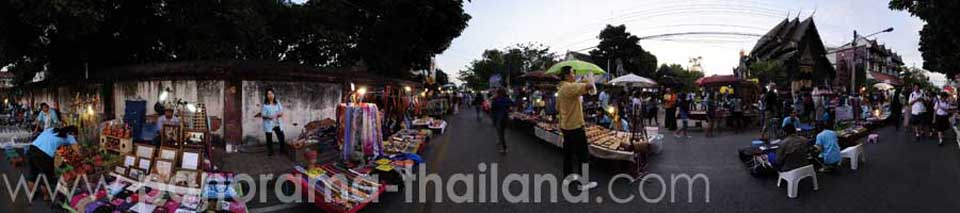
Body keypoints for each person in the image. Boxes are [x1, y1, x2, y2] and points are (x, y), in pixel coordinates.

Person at [556, 66, 598, 191]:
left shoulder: (561, 89)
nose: (574, 74)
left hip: (566, 126)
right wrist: (589, 79)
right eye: (573, 73)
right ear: (567, 75)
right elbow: (589, 87)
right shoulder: (569, 87)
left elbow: (558, 108)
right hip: (575, 127)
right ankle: (583, 183)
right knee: (583, 155)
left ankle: (568, 179)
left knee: (568, 155)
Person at [26, 126, 79, 203]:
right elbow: (77, 151)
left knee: (32, 173)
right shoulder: (70, 137)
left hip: (32, 148)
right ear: (73, 133)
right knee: (46, 176)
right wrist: (81, 154)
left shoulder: (52, 129)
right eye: (76, 136)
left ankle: (31, 194)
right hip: (45, 155)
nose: (75, 138)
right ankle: (46, 196)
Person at [257, 88, 286, 156]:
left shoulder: (277, 102)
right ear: (266, 96)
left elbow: (281, 111)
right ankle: (270, 151)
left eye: (271, 94)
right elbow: (263, 115)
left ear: (274, 94)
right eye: (268, 94)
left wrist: (280, 114)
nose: (270, 95)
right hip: (269, 123)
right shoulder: (265, 105)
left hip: (277, 123)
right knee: (269, 138)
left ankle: (282, 150)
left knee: (281, 136)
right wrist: (268, 117)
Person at [490, 88, 514, 153]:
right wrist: (508, 109)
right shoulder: (507, 99)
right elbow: (512, 106)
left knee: (501, 133)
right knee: (502, 132)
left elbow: (492, 110)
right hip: (505, 118)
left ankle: (504, 148)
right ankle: (502, 144)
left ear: (499, 93)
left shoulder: (495, 99)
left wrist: (493, 118)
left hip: (498, 118)